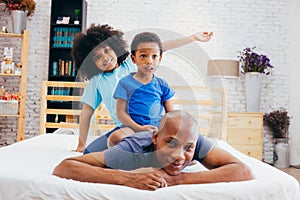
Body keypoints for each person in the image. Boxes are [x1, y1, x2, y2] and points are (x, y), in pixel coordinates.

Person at [72, 23, 214, 153]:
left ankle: (168, 148)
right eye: (97, 57)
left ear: (115, 48)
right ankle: (149, 150)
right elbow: (86, 112)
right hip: (127, 127)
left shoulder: (131, 62)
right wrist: (81, 143)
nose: (105, 58)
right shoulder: (97, 81)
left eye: (107, 50)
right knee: (90, 152)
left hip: (153, 123)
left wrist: (193, 37)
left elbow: (162, 46)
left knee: (187, 136)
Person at [53, 110, 253, 191]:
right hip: (128, 141)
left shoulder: (193, 141)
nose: (178, 156)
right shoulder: (132, 150)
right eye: (171, 143)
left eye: (188, 148)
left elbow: (243, 170)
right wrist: (128, 178)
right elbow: (65, 167)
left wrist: (176, 179)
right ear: (156, 139)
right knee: (118, 138)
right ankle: (121, 133)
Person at [107, 32, 175, 147]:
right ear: (134, 58)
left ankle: (147, 149)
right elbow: (120, 113)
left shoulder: (162, 84)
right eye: (143, 56)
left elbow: (172, 115)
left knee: (187, 138)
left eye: (154, 56)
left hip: (156, 129)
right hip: (131, 129)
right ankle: (145, 150)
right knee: (115, 138)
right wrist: (139, 128)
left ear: (160, 58)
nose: (149, 61)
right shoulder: (125, 83)